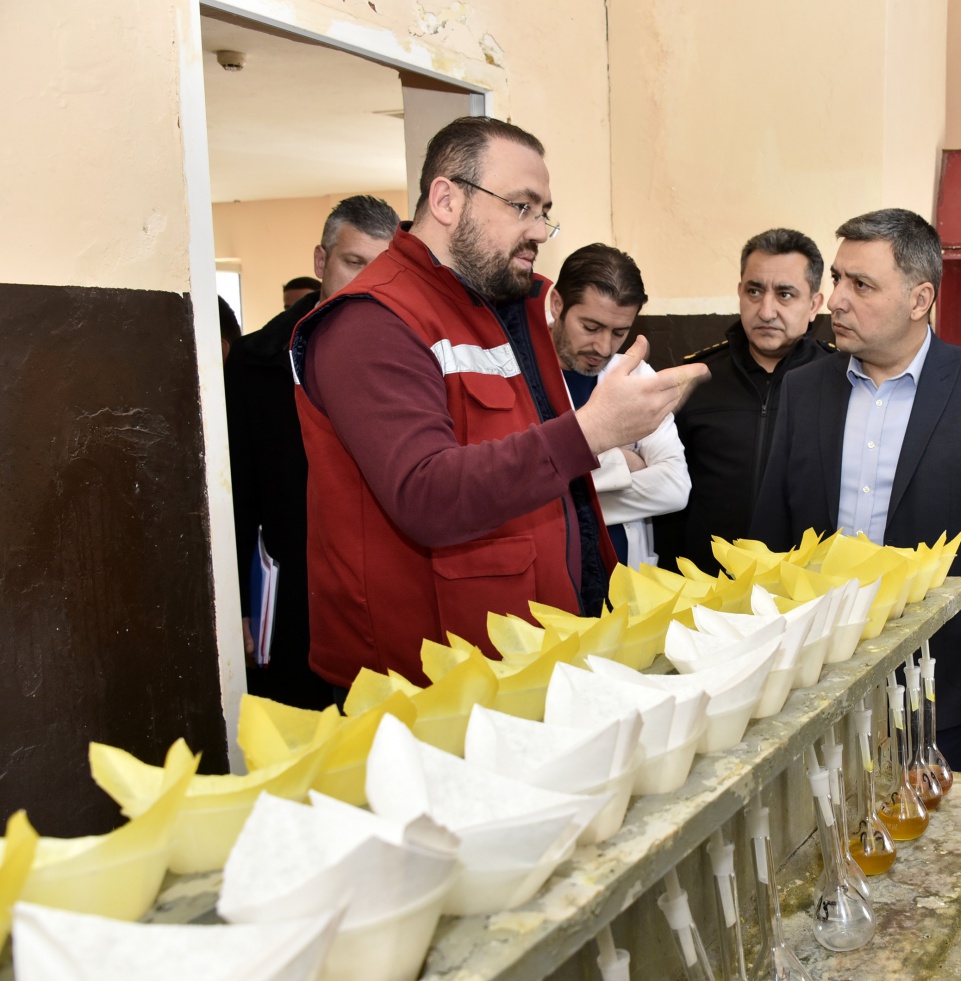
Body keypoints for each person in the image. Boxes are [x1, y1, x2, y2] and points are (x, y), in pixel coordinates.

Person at [289, 116, 707, 688]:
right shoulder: (371, 322)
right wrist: (594, 433)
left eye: (545, 212)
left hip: (531, 648)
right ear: (446, 199)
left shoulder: (514, 307)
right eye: (522, 206)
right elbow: (426, 493)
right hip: (427, 679)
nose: (540, 231)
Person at [751, 209, 961, 773]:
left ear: (919, 300)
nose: (836, 299)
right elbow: (770, 540)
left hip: (938, 683)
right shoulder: (804, 389)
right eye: (838, 279)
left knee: (927, 848)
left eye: (861, 285)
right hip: (815, 675)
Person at [225, 195, 397, 708]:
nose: (366, 282)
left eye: (382, 268)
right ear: (321, 261)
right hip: (292, 583)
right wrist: (240, 602)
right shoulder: (256, 365)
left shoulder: (406, 358)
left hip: (379, 583)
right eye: (353, 262)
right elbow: (238, 491)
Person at [653, 228, 832, 573]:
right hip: (705, 588)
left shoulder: (839, 382)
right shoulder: (694, 378)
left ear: (813, 306)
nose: (766, 311)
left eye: (785, 295)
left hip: (803, 589)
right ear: (739, 293)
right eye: (754, 291)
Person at [550, 243, 689, 567]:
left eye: (619, 332)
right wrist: (621, 463)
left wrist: (562, 497)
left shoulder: (637, 375)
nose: (603, 346)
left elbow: (674, 488)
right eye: (590, 327)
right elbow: (513, 485)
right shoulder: (518, 371)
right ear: (557, 304)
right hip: (552, 580)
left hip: (624, 583)